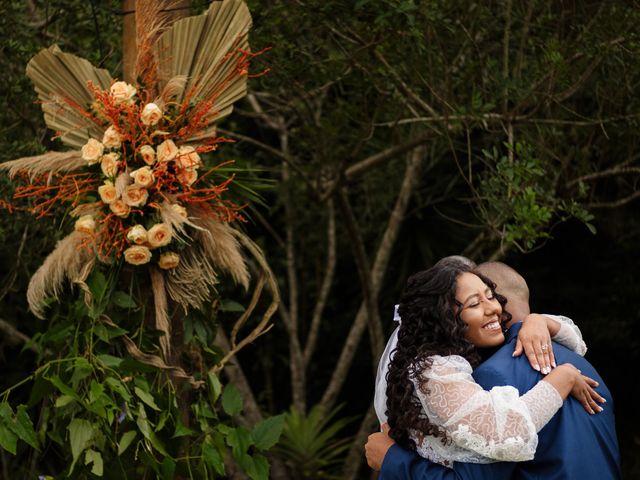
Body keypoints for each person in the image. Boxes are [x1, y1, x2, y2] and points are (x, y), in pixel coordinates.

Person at [366, 261, 621, 479]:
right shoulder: (582, 364)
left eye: (489, 296)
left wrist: (393, 460)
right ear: (446, 317)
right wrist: (541, 322)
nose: (491, 308)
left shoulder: (493, 376)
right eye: (475, 302)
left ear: (501, 300)